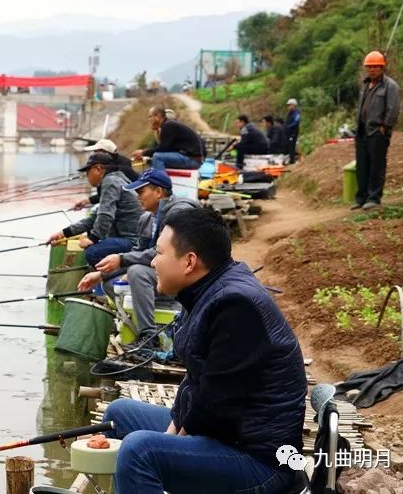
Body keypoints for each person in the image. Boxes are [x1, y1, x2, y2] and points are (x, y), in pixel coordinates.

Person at [103, 207, 308, 494]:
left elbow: (215, 405)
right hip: (227, 435)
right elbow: (197, 381)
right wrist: (173, 429)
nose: (152, 262)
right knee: (119, 413)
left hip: (259, 461)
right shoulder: (206, 291)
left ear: (189, 262)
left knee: (140, 451)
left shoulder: (236, 306)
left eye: (159, 253)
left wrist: (174, 437)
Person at [76, 169, 198, 343]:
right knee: (110, 283)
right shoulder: (147, 218)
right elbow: (139, 252)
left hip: (183, 275)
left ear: (158, 192)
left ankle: (149, 336)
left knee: (137, 272)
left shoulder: (179, 212)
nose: (137, 196)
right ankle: (134, 325)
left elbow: (165, 253)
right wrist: (101, 274)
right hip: (161, 273)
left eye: (141, 192)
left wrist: (121, 259)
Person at [48, 153, 141, 267]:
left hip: (132, 241)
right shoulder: (115, 180)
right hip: (126, 238)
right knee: (94, 242)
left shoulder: (110, 182)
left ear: (98, 169)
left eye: (88, 172)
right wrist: (63, 233)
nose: (87, 176)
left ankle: (110, 276)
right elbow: (94, 219)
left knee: (92, 252)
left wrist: (92, 238)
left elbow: (105, 216)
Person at [352, 50, 401, 211]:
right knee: (362, 166)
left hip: (377, 133)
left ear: (382, 68)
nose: (372, 69)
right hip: (362, 132)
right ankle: (361, 198)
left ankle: (374, 198)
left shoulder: (390, 86)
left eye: (376, 67)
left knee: (376, 166)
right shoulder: (366, 85)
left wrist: (384, 127)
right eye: (369, 67)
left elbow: (393, 110)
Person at [73, 139, 139, 210]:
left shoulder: (116, 172)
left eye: (96, 152)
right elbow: (108, 194)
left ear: (106, 153)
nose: (94, 154)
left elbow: (109, 194)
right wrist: (87, 201)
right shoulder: (113, 166)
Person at [131, 107, 203, 170]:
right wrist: (146, 157)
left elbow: (163, 149)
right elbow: (167, 149)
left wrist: (143, 152)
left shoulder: (168, 125)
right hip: (188, 158)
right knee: (156, 158)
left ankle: (161, 183)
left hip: (192, 160)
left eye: (150, 116)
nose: (149, 119)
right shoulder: (166, 126)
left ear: (158, 116)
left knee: (158, 157)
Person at [284, 98, 301, 164]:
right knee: (289, 146)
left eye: (289, 105)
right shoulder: (289, 113)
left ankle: (292, 160)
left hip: (293, 132)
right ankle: (291, 159)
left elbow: (296, 121)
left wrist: (289, 127)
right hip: (289, 132)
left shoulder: (296, 113)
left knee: (292, 145)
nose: (288, 107)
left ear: (294, 105)